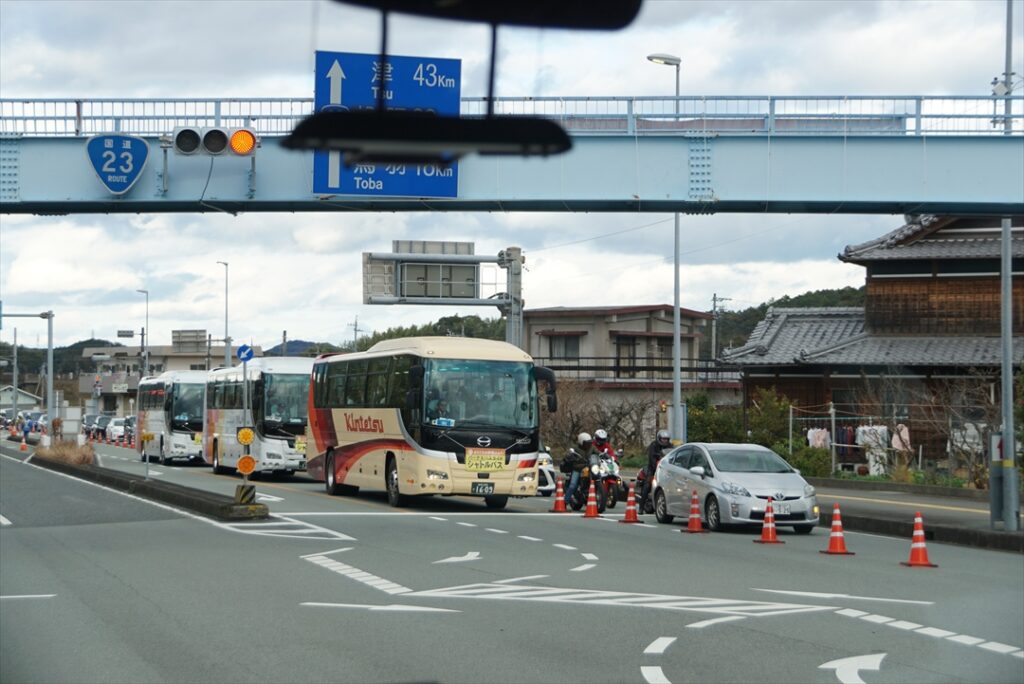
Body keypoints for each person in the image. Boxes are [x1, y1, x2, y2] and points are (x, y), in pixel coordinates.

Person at [638, 429, 672, 515]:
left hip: (666, 468)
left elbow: (673, 455)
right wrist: (655, 465)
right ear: (659, 438)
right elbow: (651, 458)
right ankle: (641, 507)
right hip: (653, 468)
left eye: (666, 439)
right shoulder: (653, 445)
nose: (665, 441)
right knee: (648, 484)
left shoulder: (670, 446)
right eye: (663, 439)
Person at [563, 432, 593, 506]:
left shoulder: (591, 448)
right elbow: (567, 454)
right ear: (581, 442)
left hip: (589, 468)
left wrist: (605, 455)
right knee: (573, 485)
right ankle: (565, 502)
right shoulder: (575, 449)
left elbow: (598, 453)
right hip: (578, 469)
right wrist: (570, 456)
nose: (588, 444)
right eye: (586, 443)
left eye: (589, 442)